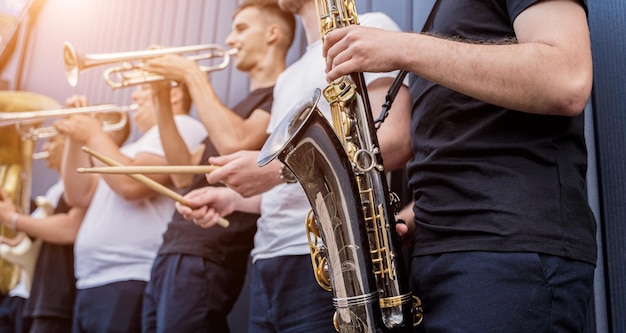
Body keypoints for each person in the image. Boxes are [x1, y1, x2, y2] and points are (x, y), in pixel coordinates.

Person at [322, 0, 597, 332]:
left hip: (506, 260)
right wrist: (410, 219)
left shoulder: (420, 41)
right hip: (443, 263)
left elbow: (565, 77)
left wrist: (402, 47)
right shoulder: (442, 15)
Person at [176, 0, 413, 331]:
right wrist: (233, 200)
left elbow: (395, 140)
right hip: (267, 264)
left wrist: (271, 171)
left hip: (335, 260)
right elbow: (289, 186)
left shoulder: (370, 26)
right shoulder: (287, 77)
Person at [138, 1, 295, 332]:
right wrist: (161, 97)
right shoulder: (234, 109)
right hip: (175, 249)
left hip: (208, 254)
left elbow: (236, 142)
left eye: (240, 28)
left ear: (273, 33)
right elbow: (182, 174)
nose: (229, 40)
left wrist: (191, 74)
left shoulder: (281, 94)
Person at [55, 86, 207, 333]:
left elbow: (131, 185)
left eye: (144, 88)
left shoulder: (182, 126)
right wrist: (75, 136)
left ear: (175, 93)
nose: (134, 96)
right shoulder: (128, 151)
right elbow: (78, 196)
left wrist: (94, 135)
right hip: (91, 280)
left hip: (131, 275)